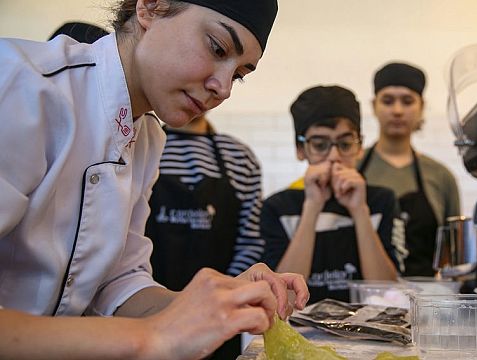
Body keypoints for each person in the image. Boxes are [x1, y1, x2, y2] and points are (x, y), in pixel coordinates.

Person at [0, 1, 310, 359]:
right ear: (150, 8)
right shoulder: (22, 86)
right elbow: (150, 331)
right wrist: (148, 337)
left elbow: (118, 285)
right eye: (218, 48)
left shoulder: (146, 135)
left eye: (239, 74)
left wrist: (225, 298)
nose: (223, 88)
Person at [261, 85, 400, 304]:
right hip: (301, 330)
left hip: (366, 330)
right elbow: (283, 294)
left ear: (360, 146)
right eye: (320, 145)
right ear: (300, 149)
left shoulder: (380, 202)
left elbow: (386, 292)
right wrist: (312, 207)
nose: (334, 156)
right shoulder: (278, 207)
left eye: (345, 144)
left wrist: (360, 211)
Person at [145, 113, 265, 359]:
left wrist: (222, 298)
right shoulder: (142, 147)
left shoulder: (239, 157)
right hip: (146, 317)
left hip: (221, 322)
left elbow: (251, 242)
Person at [358, 62, 461, 277]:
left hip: (424, 299)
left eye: (407, 101)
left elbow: (455, 258)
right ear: (373, 106)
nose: (397, 110)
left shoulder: (441, 176)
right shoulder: (354, 169)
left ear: (421, 106)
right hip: (362, 299)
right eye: (387, 101)